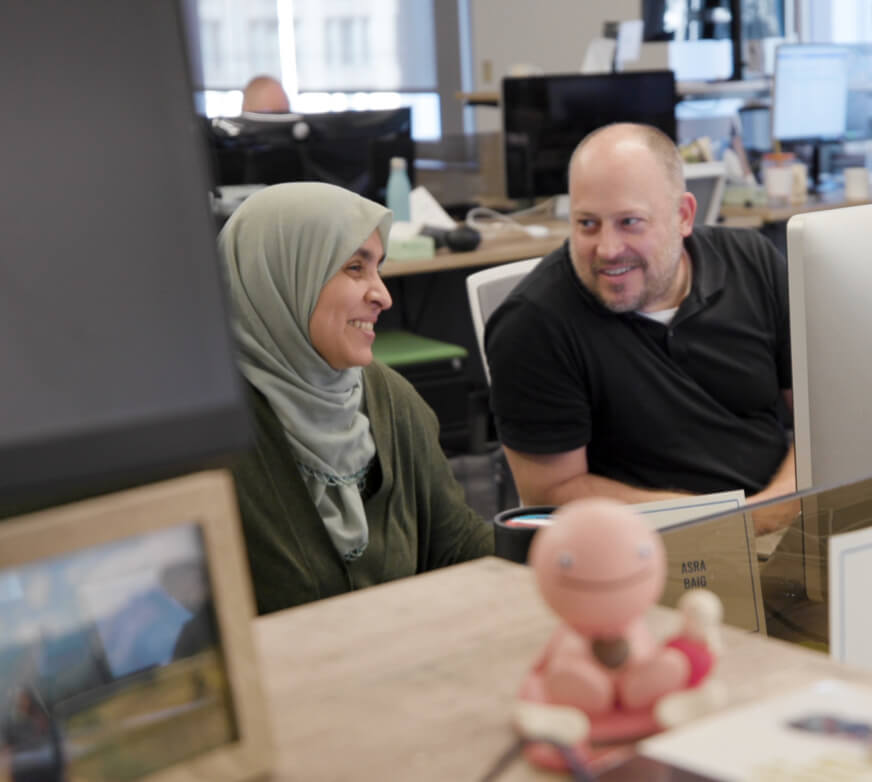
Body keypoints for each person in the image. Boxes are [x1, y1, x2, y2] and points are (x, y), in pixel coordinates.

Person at [485, 123, 794, 533]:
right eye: (587, 224)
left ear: (683, 216)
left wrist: (781, 508)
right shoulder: (535, 322)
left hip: (789, 517)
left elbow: (822, 414)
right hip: (647, 546)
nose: (608, 249)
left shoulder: (751, 262)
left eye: (630, 222)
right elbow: (553, 490)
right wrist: (734, 525)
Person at [220, 182, 494, 614]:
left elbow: (456, 544)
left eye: (378, 269)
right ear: (281, 275)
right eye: (354, 268)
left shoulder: (390, 398)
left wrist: (555, 552)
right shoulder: (210, 439)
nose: (383, 296)